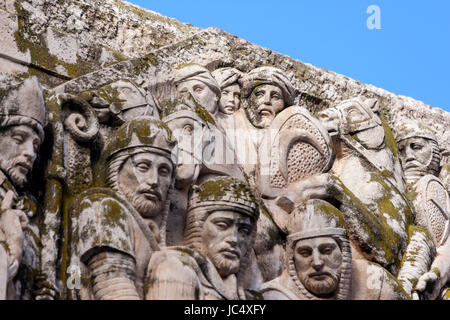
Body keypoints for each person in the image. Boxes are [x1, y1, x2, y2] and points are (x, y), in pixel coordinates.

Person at [70, 117, 178, 300]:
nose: (153, 181)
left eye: (164, 171)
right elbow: (115, 288)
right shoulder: (103, 206)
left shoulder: (151, 232)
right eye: (143, 167)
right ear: (116, 170)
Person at [145, 176, 259, 300]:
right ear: (198, 226)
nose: (234, 239)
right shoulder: (176, 269)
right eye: (222, 225)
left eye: (244, 232)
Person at [0, 76, 46, 299]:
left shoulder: (27, 207)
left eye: (36, 145)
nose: (30, 152)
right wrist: (13, 239)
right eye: (19, 138)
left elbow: (75, 274)